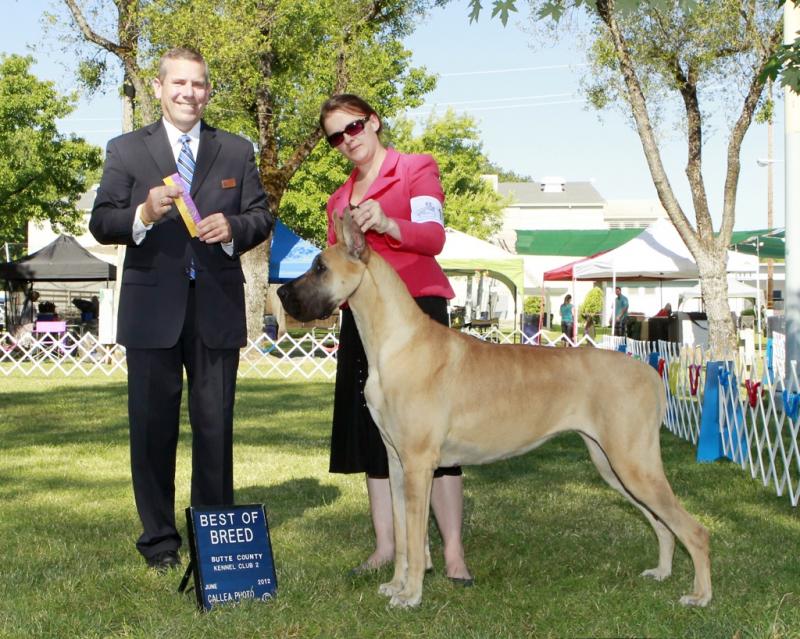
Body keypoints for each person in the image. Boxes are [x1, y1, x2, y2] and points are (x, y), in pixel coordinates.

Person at [89, 47, 273, 571]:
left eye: (198, 84)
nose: (189, 93)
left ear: (208, 91)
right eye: (179, 83)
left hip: (216, 308)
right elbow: (101, 222)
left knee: (215, 428)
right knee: (152, 430)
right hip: (151, 311)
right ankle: (160, 542)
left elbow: (261, 217)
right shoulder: (126, 150)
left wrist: (233, 228)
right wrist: (143, 213)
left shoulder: (236, 150)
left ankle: (213, 537)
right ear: (159, 87)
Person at [320, 94, 472, 584]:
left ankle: (452, 551)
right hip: (366, 326)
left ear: (374, 121)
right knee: (376, 436)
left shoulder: (414, 169)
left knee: (434, 436)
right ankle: (388, 546)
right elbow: (341, 269)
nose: (348, 140)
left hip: (419, 314)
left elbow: (433, 237)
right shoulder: (338, 201)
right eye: (336, 137)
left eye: (353, 127)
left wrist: (387, 223)